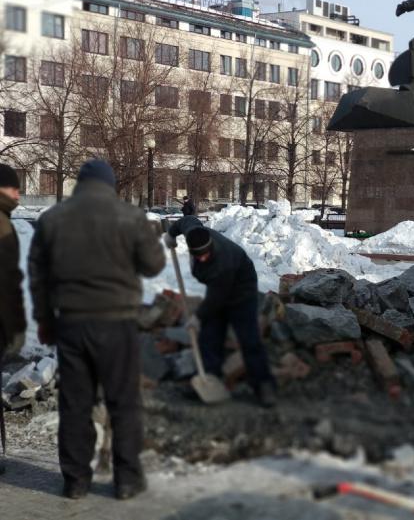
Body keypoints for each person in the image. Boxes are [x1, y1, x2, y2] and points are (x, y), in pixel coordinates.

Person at [28, 159, 165, 500]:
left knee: (75, 404)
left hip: (71, 324)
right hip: (118, 324)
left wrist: (45, 320)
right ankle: (127, 480)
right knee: (124, 402)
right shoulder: (130, 216)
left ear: (80, 183)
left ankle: (75, 481)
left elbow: (38, 276)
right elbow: (153, 265)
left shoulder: (52, 219)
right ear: (110, 184)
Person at [164, 216, 275, 406]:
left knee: (249, 338)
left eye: (205, 255)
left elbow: (217, 298)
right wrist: (171, 234)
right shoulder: (194, 232)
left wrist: (198, 317)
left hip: (242, 292)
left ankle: (264, 385)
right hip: (218, 289)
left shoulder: (223, 263)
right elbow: (187, 220)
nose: (202, 259)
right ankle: (210, 379)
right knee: (209, 336)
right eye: (198, 256)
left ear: (211, 247)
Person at [0, 164, 26, 475]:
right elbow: (6, 284)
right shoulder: (2, 225)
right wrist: (15, 329)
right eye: (13, 188)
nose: (18, 194)